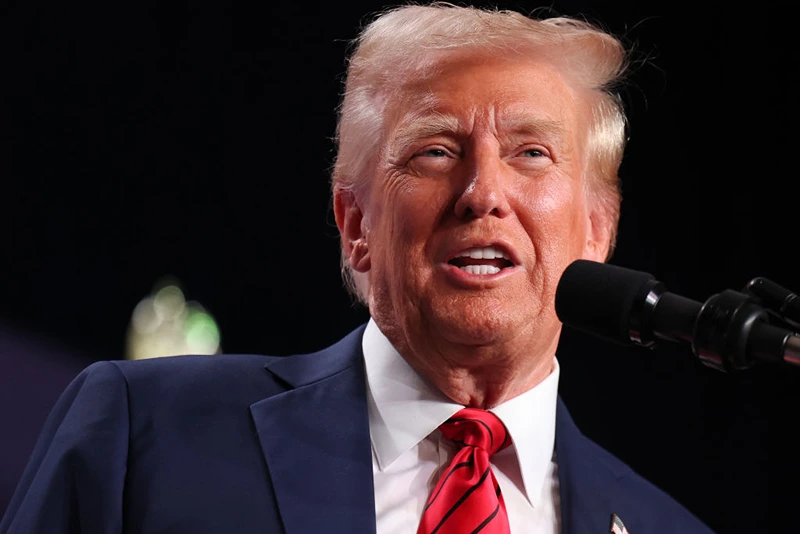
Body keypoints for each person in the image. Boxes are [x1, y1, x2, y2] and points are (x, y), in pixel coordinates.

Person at [1, 2, 715, 533]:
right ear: (356, 225)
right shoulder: (143, 434)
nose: (484, 194)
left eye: (532, 152)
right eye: (436, 150)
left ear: (597, 228)